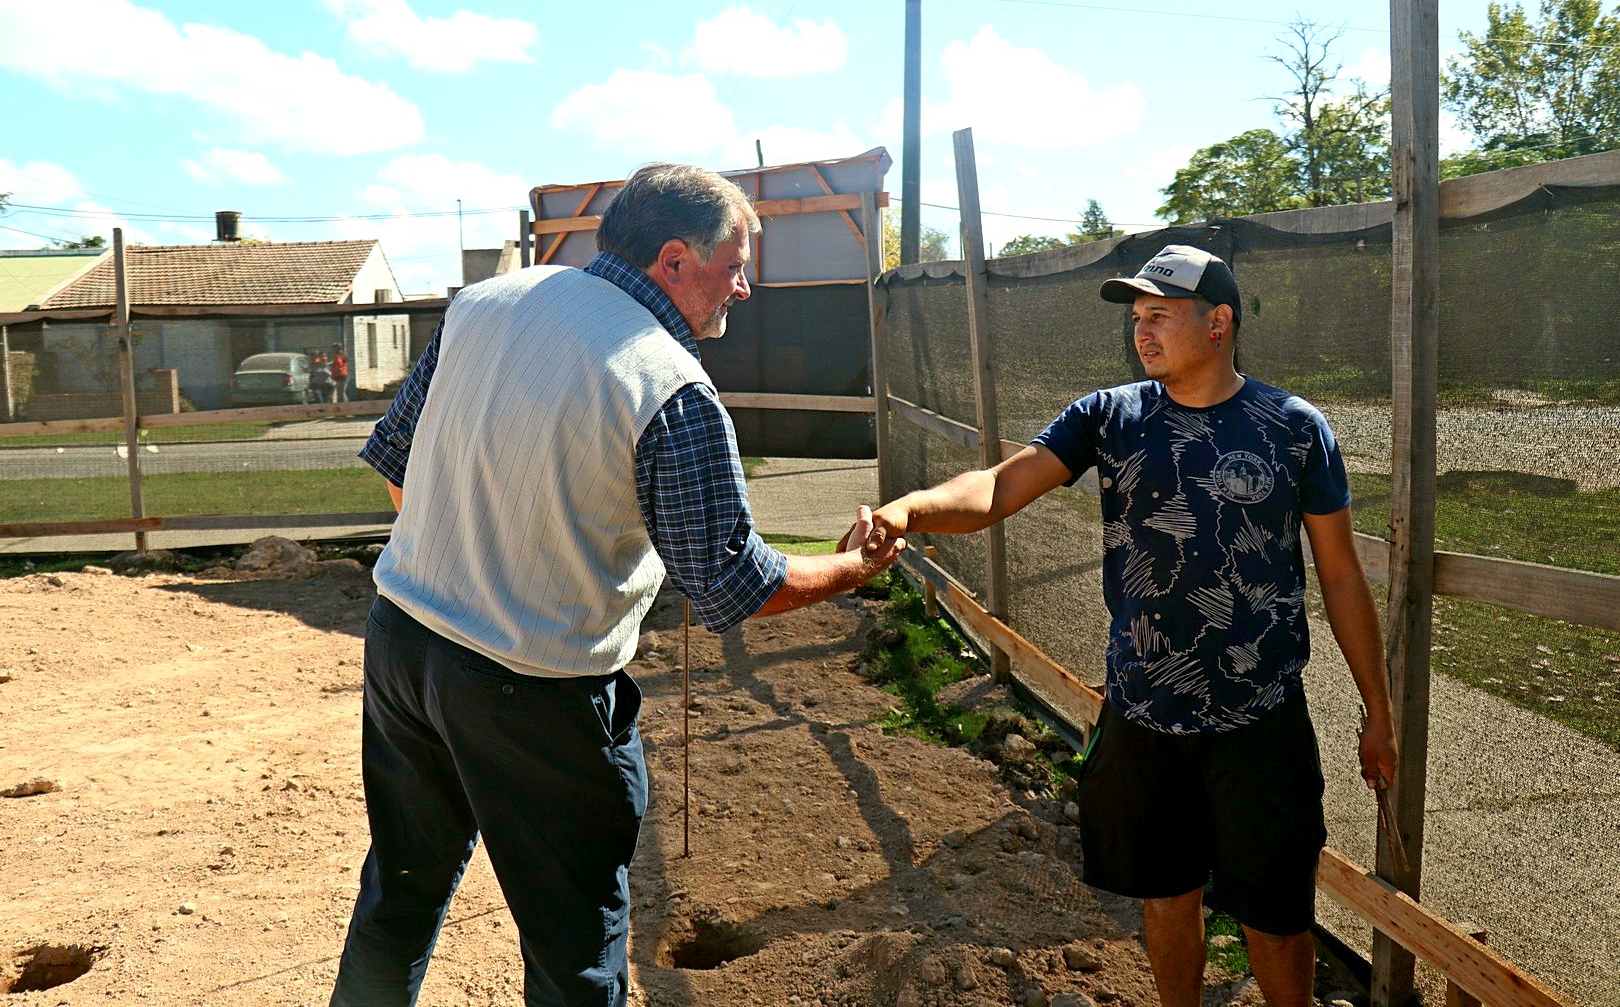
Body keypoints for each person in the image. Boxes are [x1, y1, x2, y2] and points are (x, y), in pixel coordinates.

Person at [330, 162, 905, 1007]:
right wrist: (855, 566)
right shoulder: (669, 385)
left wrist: (474, 549)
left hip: (403, 643)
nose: (743, 288)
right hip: (535, 693)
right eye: (736, 263)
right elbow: (733, 586)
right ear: (675, 261)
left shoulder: (489, 303)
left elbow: (395, 462)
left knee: (400, 890)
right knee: (576, 949)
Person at [860, 244, 1398, 1007]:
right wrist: (909, 510)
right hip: (1144, 714)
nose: (1141, 332)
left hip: (1261, 721)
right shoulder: (1108, 418)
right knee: (1165, 899)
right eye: (1137, 318)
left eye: (1160, 316)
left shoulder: (1293, 428)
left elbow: (1341, 574)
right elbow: (996, 488)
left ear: (1219, 323)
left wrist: (1379, 714)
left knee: (1277, 920)